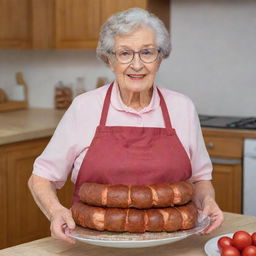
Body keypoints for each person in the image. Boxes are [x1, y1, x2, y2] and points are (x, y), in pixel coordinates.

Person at [28, 8, 224, 244]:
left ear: (160, 58)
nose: (137, 64)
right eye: (125, 53)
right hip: (93, 246)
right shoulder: (84, 107)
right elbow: (41, 178)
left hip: (174, 245)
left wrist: (207, 201)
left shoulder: (182, 107)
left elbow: (201, 179)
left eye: (147, 52)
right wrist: (55, 211)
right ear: (110, 60)